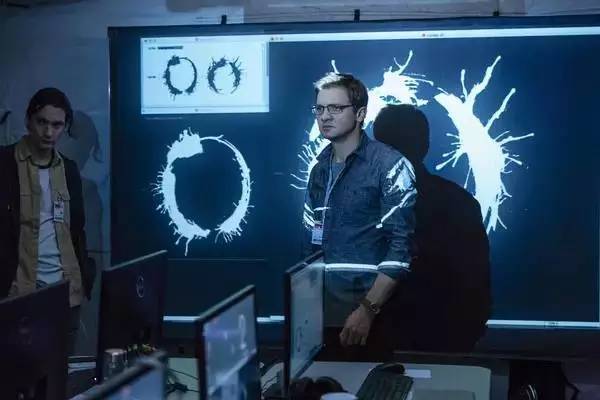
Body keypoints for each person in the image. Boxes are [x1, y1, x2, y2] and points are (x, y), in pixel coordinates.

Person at [303, 73, 417, 358]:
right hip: (322, 317)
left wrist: (367, 309)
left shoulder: (390, 165)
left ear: (360, 113)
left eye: (335, 108)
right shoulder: (319, 169)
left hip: (371, 318)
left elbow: (401, 249)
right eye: (320, 108)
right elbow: (312, 242)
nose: (324, 116)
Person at [373, 104, 491, 352]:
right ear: (425, 145)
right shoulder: (460, 203)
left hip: (368, 348)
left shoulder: (354, 205)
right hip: (445, 348)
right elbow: (477, 292)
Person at [0, 87, 95, 353]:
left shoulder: (69, 169)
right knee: (17, 370)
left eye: (57, 125)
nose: (49, 132)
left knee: (60, 371)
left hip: (65, 292)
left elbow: (76, 229)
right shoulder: (5, 163)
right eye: (42, 122)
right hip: (19, 292)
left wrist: (84, 276)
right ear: (28, 120)